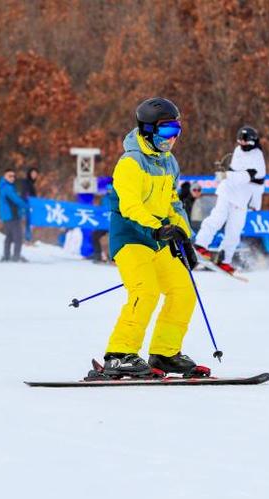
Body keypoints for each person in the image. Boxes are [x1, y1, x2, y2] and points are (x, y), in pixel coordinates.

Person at [101, 96, 208, 378]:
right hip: (131, 238)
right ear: (148, 130)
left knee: (183, 291)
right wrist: (155, 228)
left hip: (160, 239)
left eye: (176, 132)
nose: (171, 139)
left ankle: (165, 353)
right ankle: (119, 354)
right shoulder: (130, 163)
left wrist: (184, 236)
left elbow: (173, 202)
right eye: (166, 132)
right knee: (145, 291)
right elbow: (130, 206)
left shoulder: (169, 163)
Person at [193, 125, 266, 275]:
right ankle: (201, 244)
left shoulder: (257, 157)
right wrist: (227, 176)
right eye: (240, 141)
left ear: (252, 141)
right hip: (228, 191)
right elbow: (235, 172)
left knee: (235, 230)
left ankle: (224, 260)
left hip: (241, 197)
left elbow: (250, 177)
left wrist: (255, 204)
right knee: (217, 217)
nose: (242, 145)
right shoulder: (239, 151)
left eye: (245, 142)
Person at [0, 168, 28, 262]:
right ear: (4, 176)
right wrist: (25, 205)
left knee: (9, 236)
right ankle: (16, 257)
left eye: (13, 176)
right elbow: (15, 199)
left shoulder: (4, 186)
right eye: (9, 176)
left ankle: (7, 256)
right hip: (12, 215)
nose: (12, 178)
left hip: (8, 215)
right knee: (18, 237)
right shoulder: (7, 187)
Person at [19, 167, 39, 243]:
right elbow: (25, 193)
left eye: (36, 174)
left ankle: (27, 239)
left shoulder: (31, 183)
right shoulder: (26, 182)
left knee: (29, 222)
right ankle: (23, 239)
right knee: (24, 222)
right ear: (29, 174)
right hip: (25, 204)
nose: (34, 175)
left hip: (29, 205)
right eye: (33, 174)